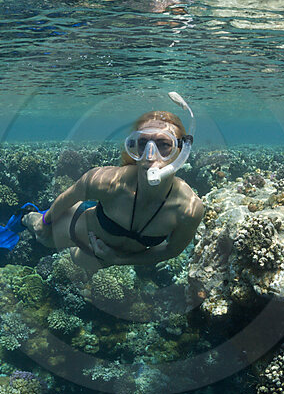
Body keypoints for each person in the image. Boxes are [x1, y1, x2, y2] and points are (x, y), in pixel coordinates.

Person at [24, 95, 204, 273]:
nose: (150, 155)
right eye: (142, 143)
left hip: (101, 258)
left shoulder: (189, 209)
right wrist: (45, 222)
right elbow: (70, 196)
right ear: (133, 147)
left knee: (79, 260)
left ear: (181, 151)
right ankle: (28, 215)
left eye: (164, 144)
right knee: (42, 237)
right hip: (75, 228)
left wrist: (119, 260)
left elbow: (172, 250)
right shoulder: (108, 181)